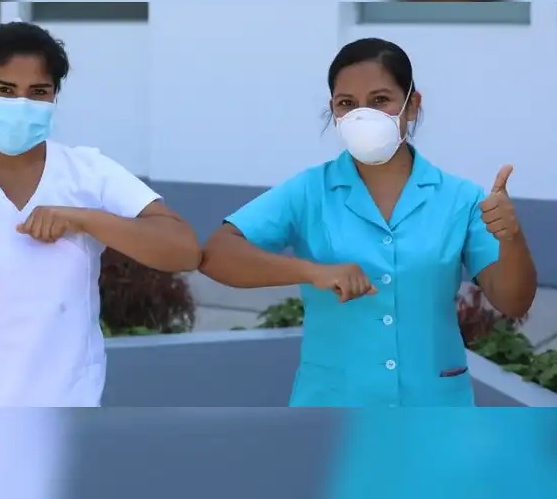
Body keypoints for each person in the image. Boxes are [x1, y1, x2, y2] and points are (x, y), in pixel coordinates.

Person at [0, 21, 202, 407]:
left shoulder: (88, 173)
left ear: (54, 97)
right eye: (5, 90)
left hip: (69, 410)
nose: (22, 105)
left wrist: (84, 218)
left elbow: (184, 250)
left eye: (38, 92)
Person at [200, 38, 538, 408]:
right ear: (333, 111)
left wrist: (512, 237)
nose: (364, 115)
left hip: (434, 407)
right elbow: (218, 253)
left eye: (380, 100)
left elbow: (513, 301)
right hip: (332, 406)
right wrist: (311, 271)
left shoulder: (461, 199)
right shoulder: (309, 191)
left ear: (412, 105)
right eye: (347, 104)